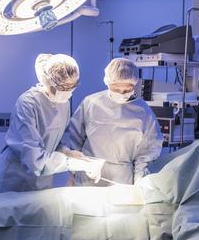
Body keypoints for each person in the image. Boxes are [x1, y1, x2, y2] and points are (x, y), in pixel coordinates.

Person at [0, 53, 102, 194]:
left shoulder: (64, 103)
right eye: (64, 87)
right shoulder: (28, 103)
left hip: (42, 178)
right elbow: (33, 157)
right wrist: (71, 163)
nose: (68, 92)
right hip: (15, 177)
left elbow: (51, 140)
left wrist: (66, 152)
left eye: (72, 86)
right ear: (49, 81)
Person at [67, 58, 163, 186]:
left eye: (127, 90)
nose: (121, 93)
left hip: (122, 178)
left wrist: (140, 181)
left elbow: (148, 152)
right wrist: (75, 171)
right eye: (116, 89)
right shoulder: (91, 103)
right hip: (89, 174)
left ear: (134, 85)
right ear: (107, 83)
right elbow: (75, 140)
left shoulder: (143, 111)